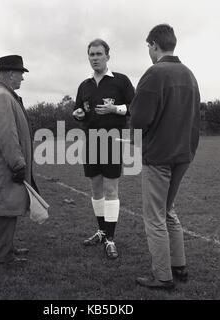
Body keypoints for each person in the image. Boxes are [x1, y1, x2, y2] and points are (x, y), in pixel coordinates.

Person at [130, 24, 200, 289]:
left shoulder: (154, 73)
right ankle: (179, 266)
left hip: (158, 156)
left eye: (149, 46)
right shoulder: (189, 74)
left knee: (155, 216)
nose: (149, 51)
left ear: (154, 45)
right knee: (168, 210)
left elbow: (138, 120)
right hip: (184, 154)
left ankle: (162, 276)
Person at [73, 39, 135, 259]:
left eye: (99, 54)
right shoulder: (84, 85)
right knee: (96, 189)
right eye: (91, 54)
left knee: (111, 189)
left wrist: (115, 108)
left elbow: (134, 107)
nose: (95, 58)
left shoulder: (121, 81)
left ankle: (110, 239)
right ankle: (101, 231)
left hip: (113, 140)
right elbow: (78, 109)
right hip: (91, 140)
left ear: (108, 56)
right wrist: (77, 113)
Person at [0, 55, 38, 264]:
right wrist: (18, 163)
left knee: (6, 208)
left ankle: (5, 247)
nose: (22, 78)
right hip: (5, 166)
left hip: (0, 166)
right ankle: (2, 255)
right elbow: (7, 135)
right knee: (6, 208)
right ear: (11, 74)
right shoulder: (2, 96)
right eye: (21, 73)